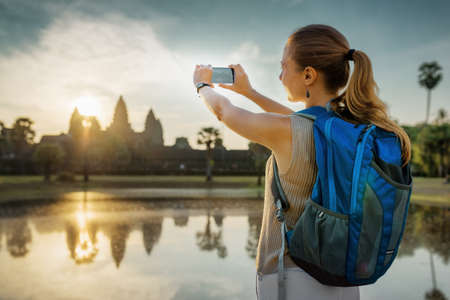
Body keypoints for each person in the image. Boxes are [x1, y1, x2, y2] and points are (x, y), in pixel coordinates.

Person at [193, 24, 411, 300]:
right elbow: (297, 121)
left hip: (292, 280)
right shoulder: (346, 131)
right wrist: (250, 92)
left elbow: (224, 112)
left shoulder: (291, 132)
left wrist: (202, 85)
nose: (280, 75)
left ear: (308, 74)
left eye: (284, 66)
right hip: (343, 283)